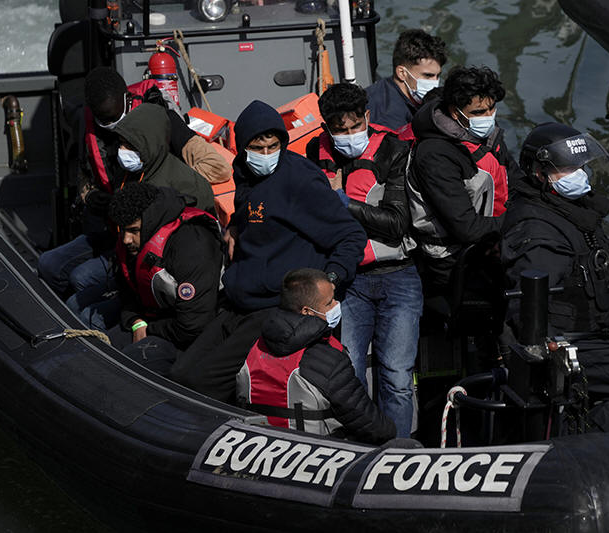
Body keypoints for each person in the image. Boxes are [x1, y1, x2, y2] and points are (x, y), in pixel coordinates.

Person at [170, 100, 366, 403]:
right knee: (180, 375)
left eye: (273, 147)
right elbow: (257, 210)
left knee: (203, 384)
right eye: (257, 148)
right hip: (239, 302)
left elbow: (350, 235)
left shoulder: (299, 179)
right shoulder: (245, 174)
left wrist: (329, 282)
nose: (266, 155)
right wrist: (235, 225)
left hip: (274, 306)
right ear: (243, 148)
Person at [501, 122, 609, 431]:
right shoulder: (537, 227)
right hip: (578, 338)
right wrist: (555, 356)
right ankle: (581, 432)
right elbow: (528, 306)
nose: (579, 174)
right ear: (540, 174)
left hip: (602, 328)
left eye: (580, 166)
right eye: (568, 169)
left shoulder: (571, 209)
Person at [38, 67, 228, 299]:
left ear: (127, 99)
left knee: (82, 277)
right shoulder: (90, 128)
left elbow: (217, 167)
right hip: (114, 228)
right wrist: (90, 196)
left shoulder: (160, 118)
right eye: (104, 120)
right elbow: (84, 175)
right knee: (49, 264)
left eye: (115, 118)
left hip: (151, 235)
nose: (111, 126)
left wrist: (158, 194)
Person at [306, 83, 421, 438]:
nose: (349, 136)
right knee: (350, 372)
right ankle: (357, 448)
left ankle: (399, 449)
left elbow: (397, 223)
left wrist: (344, 203)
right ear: (326, 127)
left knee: (397, 376)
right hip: (349, 281)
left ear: (367, 117)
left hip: (398, 276)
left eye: (356, 126)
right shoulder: (315, 152)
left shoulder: (393, 150)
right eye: (339, 130)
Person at [65, 103, 218, 328]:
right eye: (121, 143)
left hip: (160, 278)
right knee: (72, 299)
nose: (123, 150)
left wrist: (140, 322)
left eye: (130, 145)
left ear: (149, 142)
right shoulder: (128, 174)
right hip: (128, 266)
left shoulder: (186, 186)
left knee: (87, 303)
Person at [236, 268, 396, 444]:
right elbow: (373, 426)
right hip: (315, 453)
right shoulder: (329, 360)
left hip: (259, 448)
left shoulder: (252, 345)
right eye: (329, 303)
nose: (336, 305)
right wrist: (391, 432)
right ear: (307, 311)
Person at [407, 65, 521, 293]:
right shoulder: (434, 155)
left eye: (491, 109)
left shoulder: (487, 135)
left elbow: (516, 178)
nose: (488, 117)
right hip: (452, 260)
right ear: (455, 112)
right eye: (479, 112)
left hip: (494, 238)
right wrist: (519, 221)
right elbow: (465, 227)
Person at [105, 183, 223, 354]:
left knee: (130, 357)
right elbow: (127, 290)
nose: (126, 240)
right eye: (122, 230)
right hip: (149, 318)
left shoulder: (192, 245)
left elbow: (193, 325)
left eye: (133, 231)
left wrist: (149, 329)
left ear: (150, 222)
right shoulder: (133, 243)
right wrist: (135, 321)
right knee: (100, 347)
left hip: (188, 333)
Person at [366, 29, 447, 131]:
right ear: (402, 73)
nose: (435, 82)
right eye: (427, 76)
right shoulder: (389, 119)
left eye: (438, 76)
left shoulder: (391, 88)